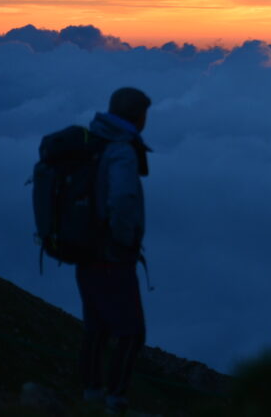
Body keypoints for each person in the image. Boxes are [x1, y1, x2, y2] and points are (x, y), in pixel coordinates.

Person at [77, 86, 152, 415]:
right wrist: (124, 242)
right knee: (131, 331)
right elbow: (122, 199)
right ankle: (115, 401)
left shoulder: (95, 138)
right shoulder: (121, 150)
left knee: (97, 326)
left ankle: (90, 396)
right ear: (138, 115)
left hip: (85, 249)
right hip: (111, 255)